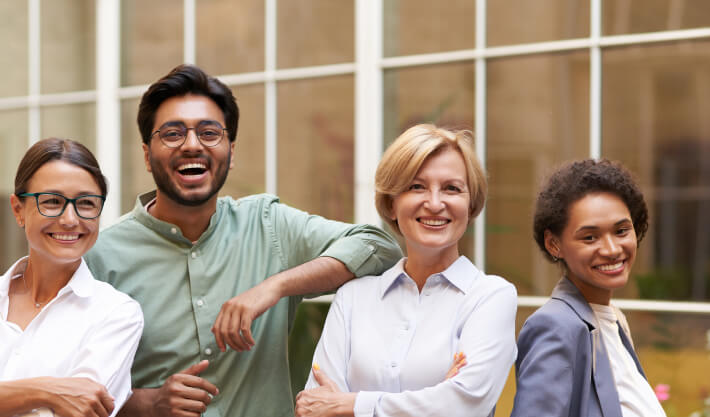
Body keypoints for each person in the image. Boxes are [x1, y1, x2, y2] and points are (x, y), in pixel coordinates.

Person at [84, 64, 402, 417]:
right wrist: (148, 403)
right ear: (146, 154)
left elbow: (379, 246)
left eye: (209, 132)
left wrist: (274, 286)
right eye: (173, 134)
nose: (192, 145)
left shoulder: (269, 225)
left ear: (231, 153)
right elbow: (72, 388)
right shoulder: (100, 256)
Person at [294, 124, 518, 417]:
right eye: (416, 186)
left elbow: (463, 406)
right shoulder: (352, 299)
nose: (435, 203)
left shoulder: (491, 298)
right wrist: (434, 399)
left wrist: (350, 404)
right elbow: (315, 409)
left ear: (471, 203)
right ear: (390, 204)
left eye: (452, 188)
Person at [511, 159, 666, 416]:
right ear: (553, 244)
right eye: (590, 237)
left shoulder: (613, 319)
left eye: (621, 230)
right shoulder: (556, 326)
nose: (612, 249)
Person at [0, 138, 143, 417]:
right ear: (18, 210)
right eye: (52, 201)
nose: (69, 219)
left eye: (86, 203)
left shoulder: (117, 314)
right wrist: (48, 391)